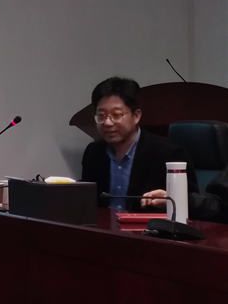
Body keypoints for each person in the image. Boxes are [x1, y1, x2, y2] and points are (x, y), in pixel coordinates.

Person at [80, 77, 199, 212]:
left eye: (116, 115)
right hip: (102, 224)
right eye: (101, 116)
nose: (107, 123)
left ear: (136, 116)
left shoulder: (169, 153)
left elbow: (191, 204)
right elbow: (87, 202)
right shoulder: (94, 152)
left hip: (148, 225)